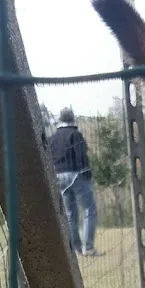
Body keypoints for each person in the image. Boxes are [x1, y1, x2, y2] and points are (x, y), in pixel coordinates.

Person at [50, 107, 100, 257]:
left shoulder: (53, 138)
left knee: (71, 214)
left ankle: (76, 249)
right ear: (72, 119)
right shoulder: (75, 134)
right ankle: (88, 248)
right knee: (89, 210)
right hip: (76, 174)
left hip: (59, 176)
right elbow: (81, 156)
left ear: (60, 119)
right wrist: (87, 174)